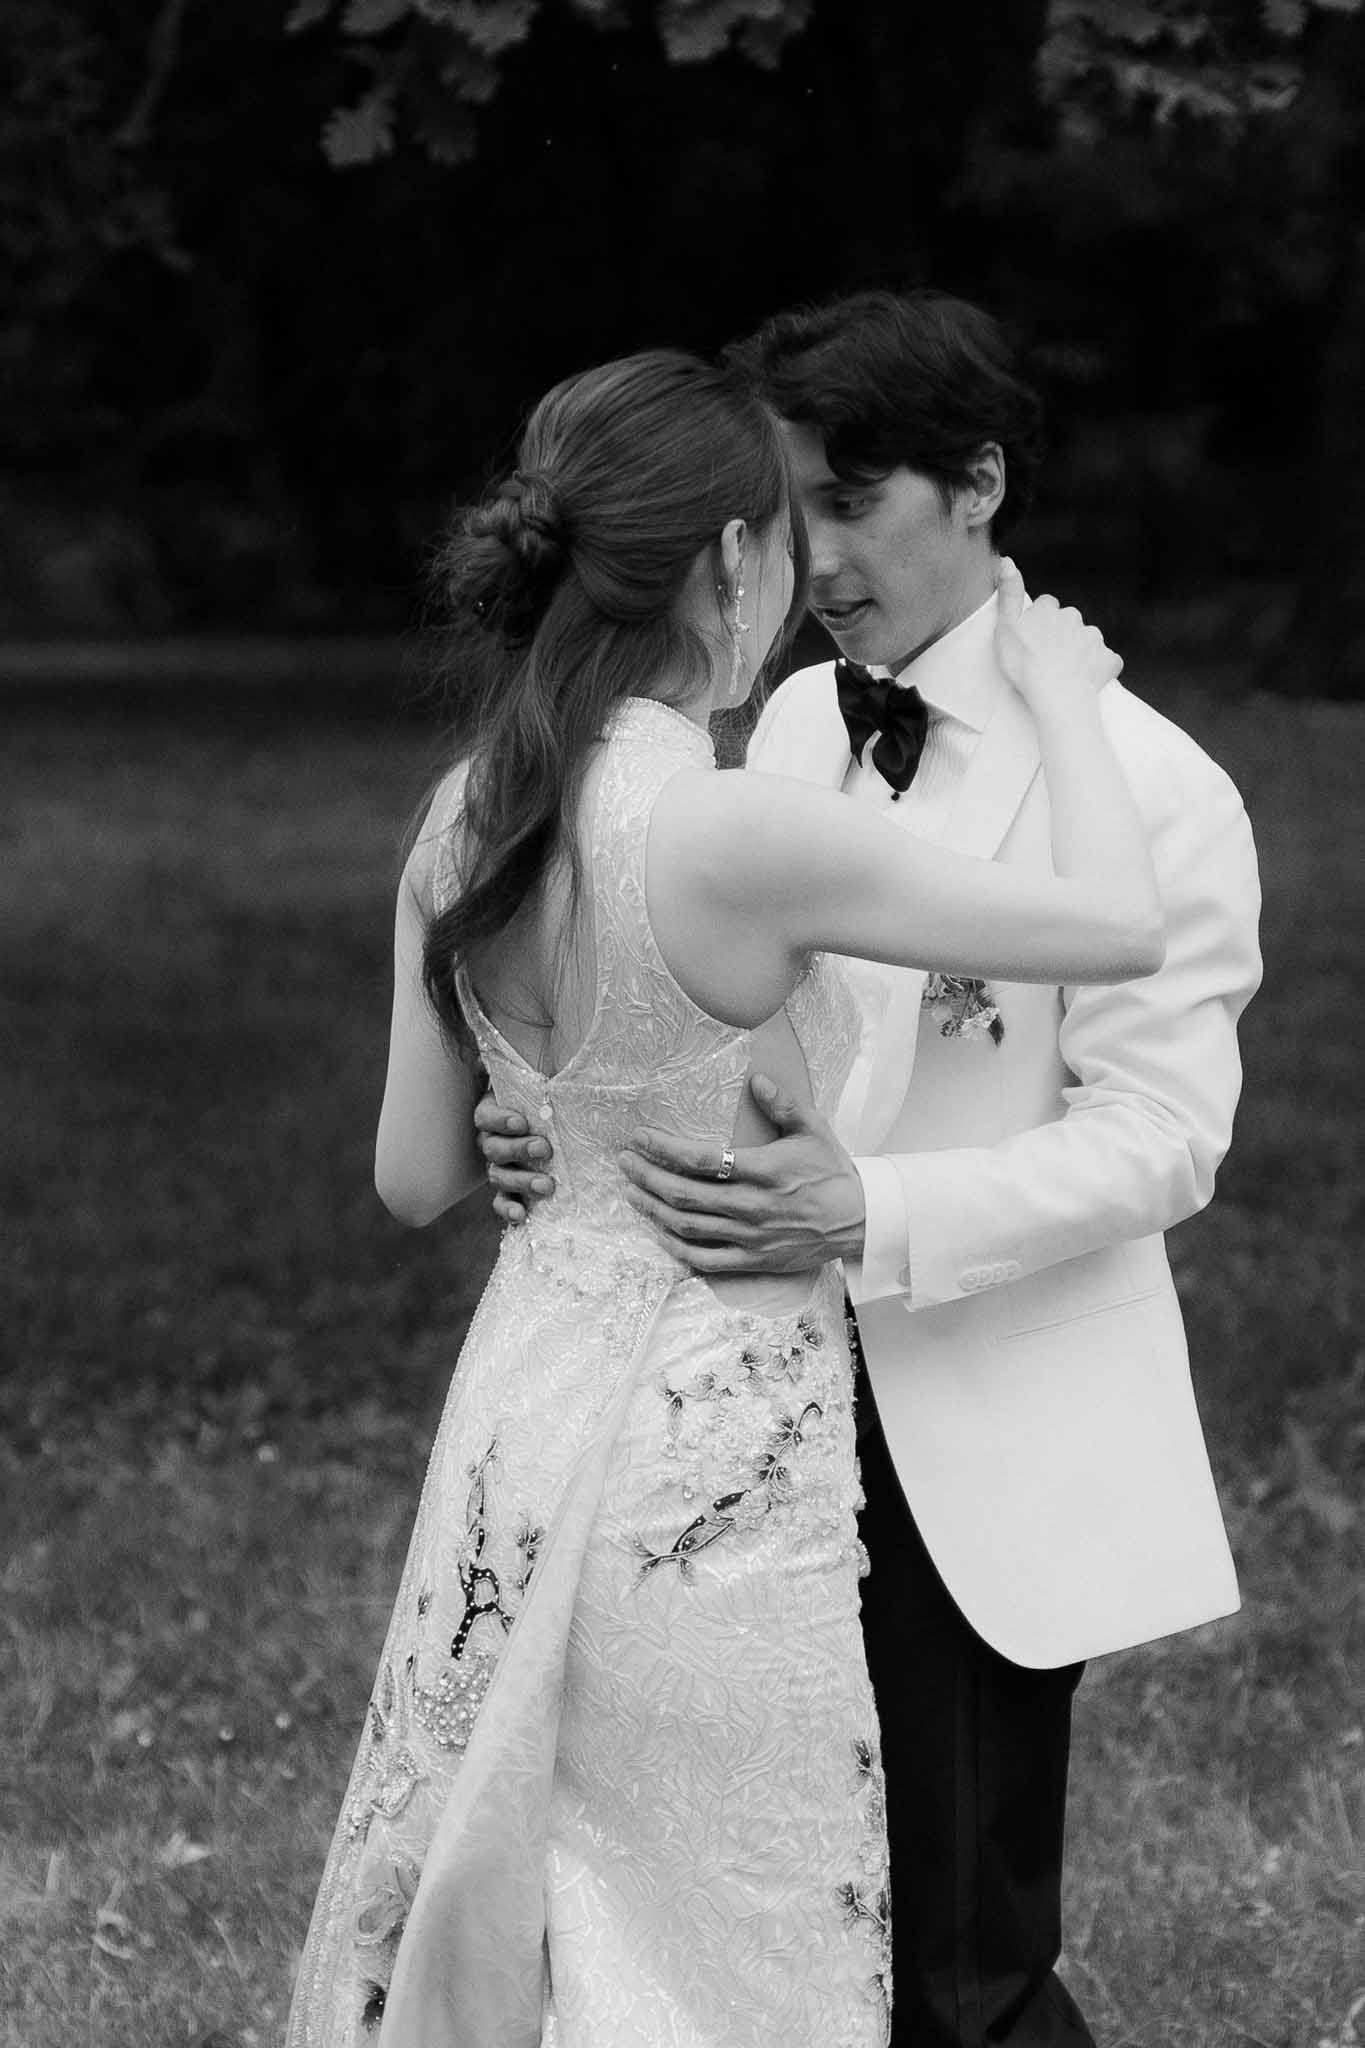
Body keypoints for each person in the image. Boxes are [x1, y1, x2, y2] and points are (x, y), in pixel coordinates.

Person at [288, 345, 1165, 2048]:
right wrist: (1064, 702)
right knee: (721, 1916)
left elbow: (411, 1181)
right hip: (712, 1448)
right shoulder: (733, 828)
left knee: (518, 1862)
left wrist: (537, 1127)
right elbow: (1119, 931)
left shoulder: (462, 815)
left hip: (523, 1415)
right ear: (728, 564)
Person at [478, 293, 1263, 2048]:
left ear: (978, 485)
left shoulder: (1152, 790)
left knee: (952, 1960)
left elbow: (1164, 1140)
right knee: (750, 1926)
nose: (814, 560)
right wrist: (553, 1107)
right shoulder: (797, 730)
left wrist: (878, 1211)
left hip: (964, 1416)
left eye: (857, 501)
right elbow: (704, 1001)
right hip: (731, 1410)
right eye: (791, 510)